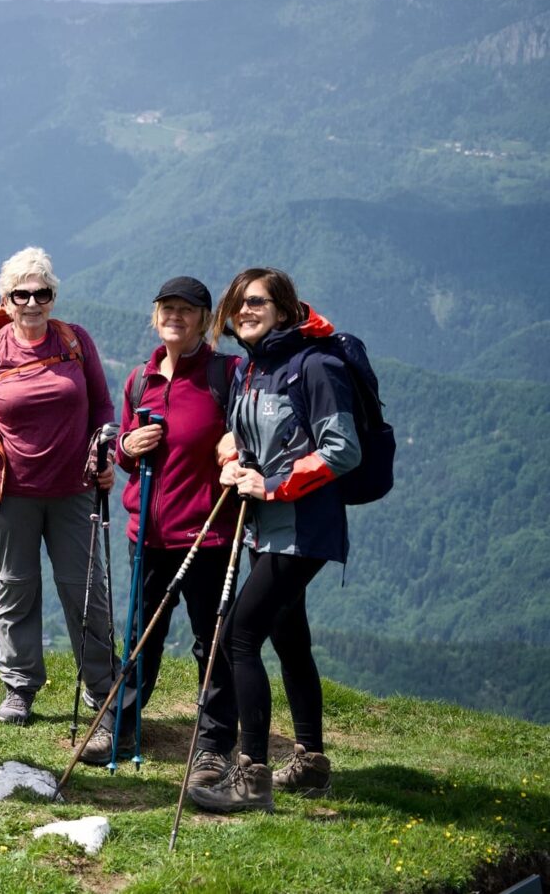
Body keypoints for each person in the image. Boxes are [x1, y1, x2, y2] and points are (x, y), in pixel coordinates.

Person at [188, 268, 355, 813]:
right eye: (238, 303)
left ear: (284, 308)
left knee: (239, 635)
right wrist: (233, 458)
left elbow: (342, 449)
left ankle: (251, 778)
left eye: (257, 302)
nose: (245, 310)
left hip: (303, 528)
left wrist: (275, 486)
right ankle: (310, 764)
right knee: (289, 638)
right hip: (267, 527)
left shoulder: (317, 365)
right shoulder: (255, 369)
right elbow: (247, 433)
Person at [0, 246, 115, 731]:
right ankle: (20, 688)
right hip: (7, 492)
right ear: (5, 299)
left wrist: (106, 449)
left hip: (74, 489)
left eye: (41, 292)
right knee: (17, 589)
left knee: (86, 590)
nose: (31, 301)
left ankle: (101, 687)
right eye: (21, 293)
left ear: (52, 295)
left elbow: (103, 408)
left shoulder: (74, 341)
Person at [83, 276, 241, 773]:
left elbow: (255, 425)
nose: (175, 316)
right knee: (139, 635)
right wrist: (126, 448)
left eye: (186, 310)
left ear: (204, 319)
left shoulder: (226, 374)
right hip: (147, 534)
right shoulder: (139, 380)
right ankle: (123, 725)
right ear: (155, 316)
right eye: (166, 308)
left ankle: (214, 745)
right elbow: (127, 448)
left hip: (208, 534)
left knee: (210, 639)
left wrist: (235, 442)